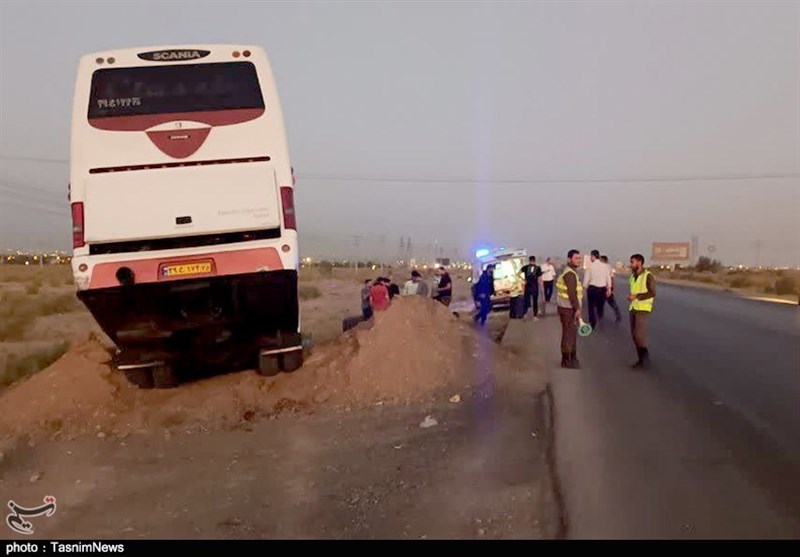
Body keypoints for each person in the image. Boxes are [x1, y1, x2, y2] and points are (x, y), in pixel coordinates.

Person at [628, 253, 656, 369]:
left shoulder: (648, 276)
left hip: (643, 309)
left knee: (639, 336)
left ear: (639, 263)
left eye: (632, 262)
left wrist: (637, 296)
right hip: (633, 307)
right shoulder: (632, 276)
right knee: (634, 336)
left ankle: (645, 358)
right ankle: (641, 360)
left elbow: (652, 292)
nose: (630, 264)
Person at [556, 249, 583, 368]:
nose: (579, 260)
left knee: (570, 333)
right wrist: (577, 309)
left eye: (579, 258)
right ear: (569, 259)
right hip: (568, 308)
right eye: (576, 258)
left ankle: (569, 358)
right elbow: (572, 294)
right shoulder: (570, 274)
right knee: (569, 334)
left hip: (565, 307)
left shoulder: (569, 272)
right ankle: (567, 360)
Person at [582, 249, 611, 331]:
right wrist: (609, 288)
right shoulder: (605, 266)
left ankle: (592, 322)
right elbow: (608, 278)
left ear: (593, 256)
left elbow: (586, 278)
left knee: (591, 307)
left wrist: (584, 287)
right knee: (600, 305)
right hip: (602, 289)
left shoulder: (590, 266)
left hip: (592, 289)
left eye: (591, 256)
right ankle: (600, 315)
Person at [600, 255, 622, 322]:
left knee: (610, 302)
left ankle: (618, 316)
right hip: (605, 287)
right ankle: (618, 316)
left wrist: (611, 288)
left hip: (606, 288)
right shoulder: (606, 267)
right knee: (607, 303)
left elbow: (612, 278)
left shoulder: (607, 267)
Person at [519, 256, 542, 320]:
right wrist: (542, 288)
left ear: (529, 260)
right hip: (534, 286)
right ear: (535, 260)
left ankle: (525, 314)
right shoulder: (538, 268)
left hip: (528, 286)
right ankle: (535, 316)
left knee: (526, 301)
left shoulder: (525, 267)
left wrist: (523, 280)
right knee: (535, 301)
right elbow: (540, 279)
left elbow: (518, 273)